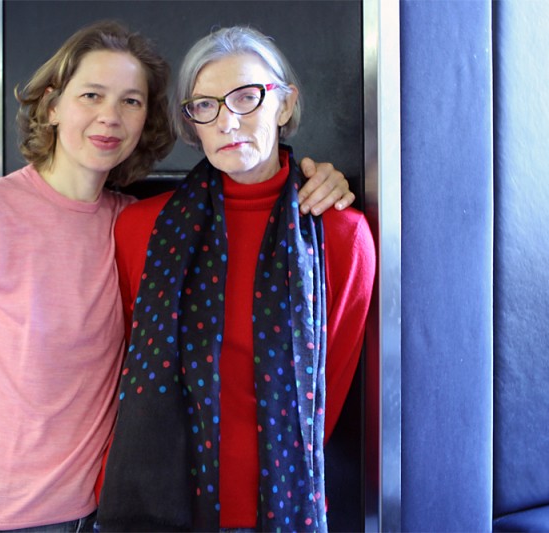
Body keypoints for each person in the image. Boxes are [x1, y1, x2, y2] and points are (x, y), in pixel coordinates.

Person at [0, 20, 354, 533]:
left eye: (131, 101)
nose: (110, 117)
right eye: (92, 94)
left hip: (97, 509)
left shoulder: (133, 224)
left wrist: (317, 180)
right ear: (51, 106)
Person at [97, 26, 376, 533]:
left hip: (278, 506)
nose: (228, 121)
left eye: (247, 98)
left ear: (285, 105)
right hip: (155, 502)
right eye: (205, 106)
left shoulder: (340, 233)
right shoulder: (140, 229)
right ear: (192, 124)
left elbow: (328, 391)